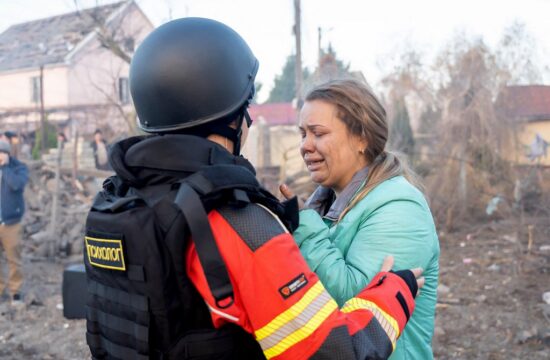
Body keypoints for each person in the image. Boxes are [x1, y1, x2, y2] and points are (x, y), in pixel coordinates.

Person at [84, 18, 423, 360]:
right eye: (245, 110)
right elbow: (335, 353)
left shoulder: (115, 204)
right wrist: (393, 291)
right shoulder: (238, 222)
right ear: (234, 119)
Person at [280, 79, 440, 360]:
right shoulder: (325, 205)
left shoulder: (399, 206)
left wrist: (303, 226)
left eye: (317, 133)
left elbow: (360, 308)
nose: (305, 145)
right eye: (302, 134)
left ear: (361, 138)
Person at [0, 139, 29, 305]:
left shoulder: (19, 168)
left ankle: (16, 292)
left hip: (11, 223)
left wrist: (5, 167)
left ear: (7, 154)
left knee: (14, 259)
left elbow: (16, 185)